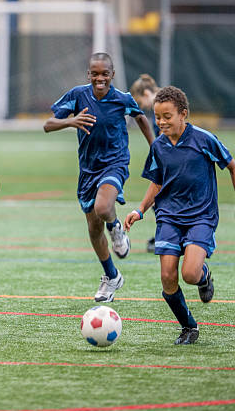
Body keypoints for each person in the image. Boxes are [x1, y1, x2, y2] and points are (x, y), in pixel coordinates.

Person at [124, 86, 235, 345]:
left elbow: (233, 168)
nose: (161, 122)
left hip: (201, 216)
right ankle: (188, 327)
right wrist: (140, 210)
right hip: (168, 217)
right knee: (168, 277)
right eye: (157, 117)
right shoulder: (158, 146)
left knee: (189, 274)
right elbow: (157, 183)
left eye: (167, 116)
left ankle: (204, 277)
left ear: (184, 114)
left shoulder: (203, 139)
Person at [43, 52, 155, 303]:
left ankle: (116, 230)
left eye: (105, 74)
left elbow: (141, 118)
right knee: (94, 229)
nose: (100, 78)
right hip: (88, 171)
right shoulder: (77, 96)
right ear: (89, 75)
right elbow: (48, 124)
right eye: (95, 74)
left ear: (112, 75)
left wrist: (155, 148)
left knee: (104, 207)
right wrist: (71, 121)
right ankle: (111, 276)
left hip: (115, 164)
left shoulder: (122, 98)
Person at [129, 73, 161, 253]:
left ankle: (166, 237)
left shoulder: (161, 106)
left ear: (147, 93)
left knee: (159, 199)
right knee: (157, 199)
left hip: (170, 160)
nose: (142, 107)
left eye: (140, 103)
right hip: (164, 158)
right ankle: (163, 236)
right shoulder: (161, 105)